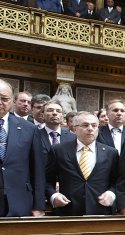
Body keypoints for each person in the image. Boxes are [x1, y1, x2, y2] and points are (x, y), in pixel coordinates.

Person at [45, 111, 118, 216]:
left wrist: (111, 194)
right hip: (68, 211)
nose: (90, 128)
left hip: (101, 211)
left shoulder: (110, 152)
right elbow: (47, 180)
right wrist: (53, 196)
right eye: (85, 125)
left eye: (94, 125)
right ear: (74, 128)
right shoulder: (59, 150)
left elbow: (117, 181)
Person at [0, 81, 45, 217]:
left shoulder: (29, 129)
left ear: (12, 101)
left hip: (18, 202)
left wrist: (39, 205)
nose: (0, 102)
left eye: (4, 98)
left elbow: (37, 170)